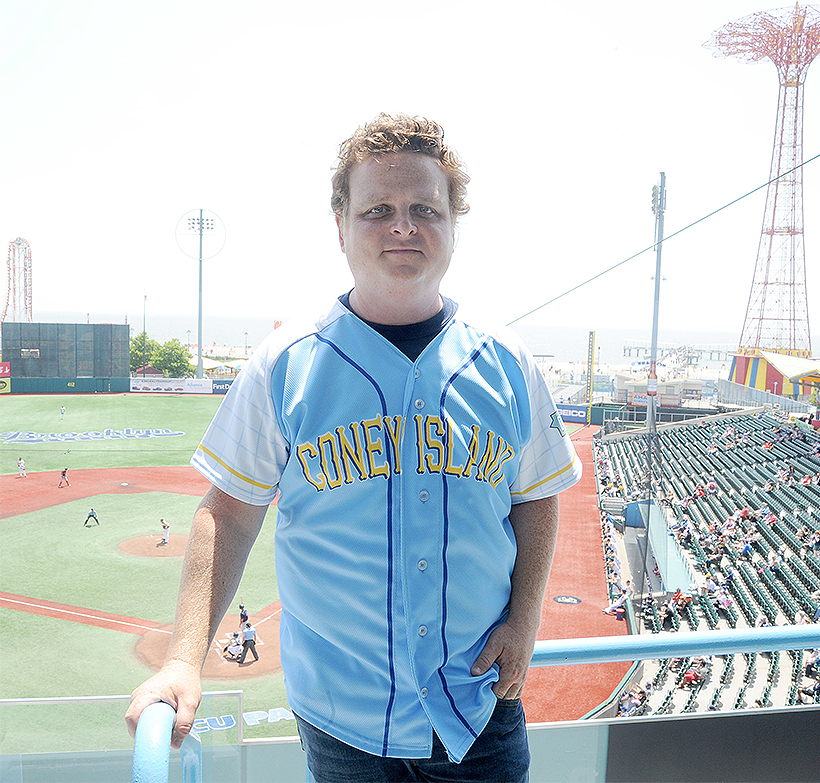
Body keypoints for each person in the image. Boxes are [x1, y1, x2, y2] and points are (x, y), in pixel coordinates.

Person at [126, 113, 583, 783]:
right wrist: (183, 658)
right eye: (378, 210)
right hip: (344, 723)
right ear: (340, 227)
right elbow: (226, 514)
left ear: (453, 223)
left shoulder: (508, 361)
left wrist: (525, 619)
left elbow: (536, 500)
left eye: (425, 208)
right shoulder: (286, 362)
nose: (403, 225)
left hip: (480, 705)